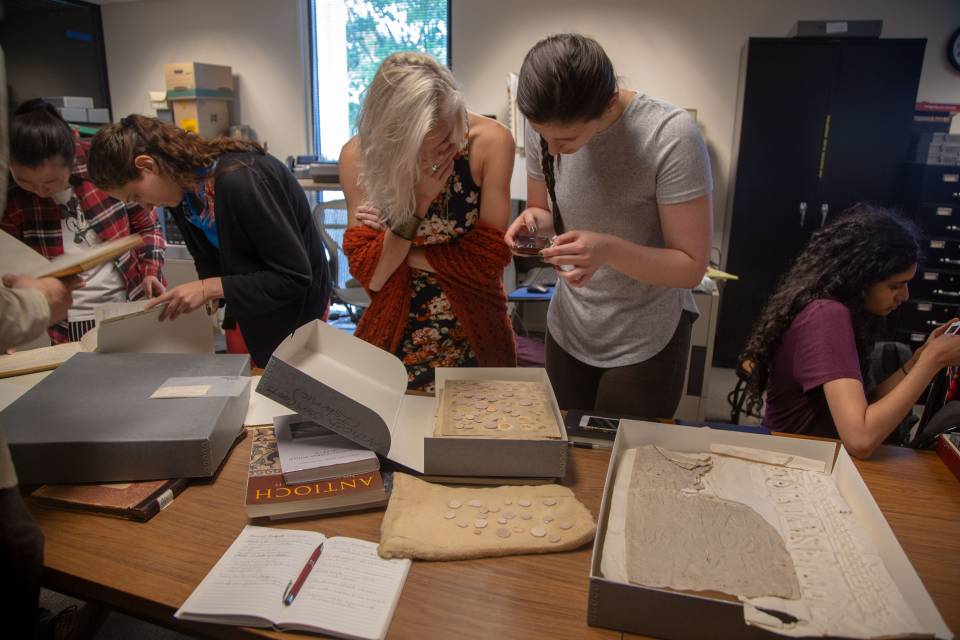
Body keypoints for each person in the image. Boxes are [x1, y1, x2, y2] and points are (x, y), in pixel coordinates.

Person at [504, 33, 713, 418]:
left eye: (565, 139)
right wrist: (534, 224)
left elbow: (690, 266)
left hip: (646, 335)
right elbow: (548, 216)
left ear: (608, 104)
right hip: (570, 328)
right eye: (543, 136)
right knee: (565, 453)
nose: (551, 150)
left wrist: (608, 250)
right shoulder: (545, 133)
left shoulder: (669, 135)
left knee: (618, 461)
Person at [87, 115, 332, 367]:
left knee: (292, 387)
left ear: (147, 165)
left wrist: (208, 288)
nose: (145, 207)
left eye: (136, 195)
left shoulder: (240, 179)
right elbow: (208, 259)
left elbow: (295, 277)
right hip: (258, 303)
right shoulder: (183, 195)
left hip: (299, 308)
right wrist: (205, 294)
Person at [340, 52, 516, 391]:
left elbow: (487, 262)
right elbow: (371, 275)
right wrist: (419, 203)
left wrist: (398, 250)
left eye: (446, 139)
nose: (440, 154)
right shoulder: (360, 155)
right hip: (391, 339)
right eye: (420, 147)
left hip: (476, 336)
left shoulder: (490, 142)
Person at [743, 205, 960, 459]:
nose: (905, 296)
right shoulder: (827, 316)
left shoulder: (841, 311)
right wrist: (933, 362)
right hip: (793, 464)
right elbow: (860, 438)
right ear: (861, 278)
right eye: (896, 285)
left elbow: (866, 405)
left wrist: (917, 362)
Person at [3, 99, 166, 344]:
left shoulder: (102, 171)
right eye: (26, 182)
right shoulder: (11, 198)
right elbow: (8, 267)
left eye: (51, 182)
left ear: (71, 162)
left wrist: (151, 270)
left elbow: (147, 225)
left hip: (126, 305)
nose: (40, 191)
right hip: (65, 320)